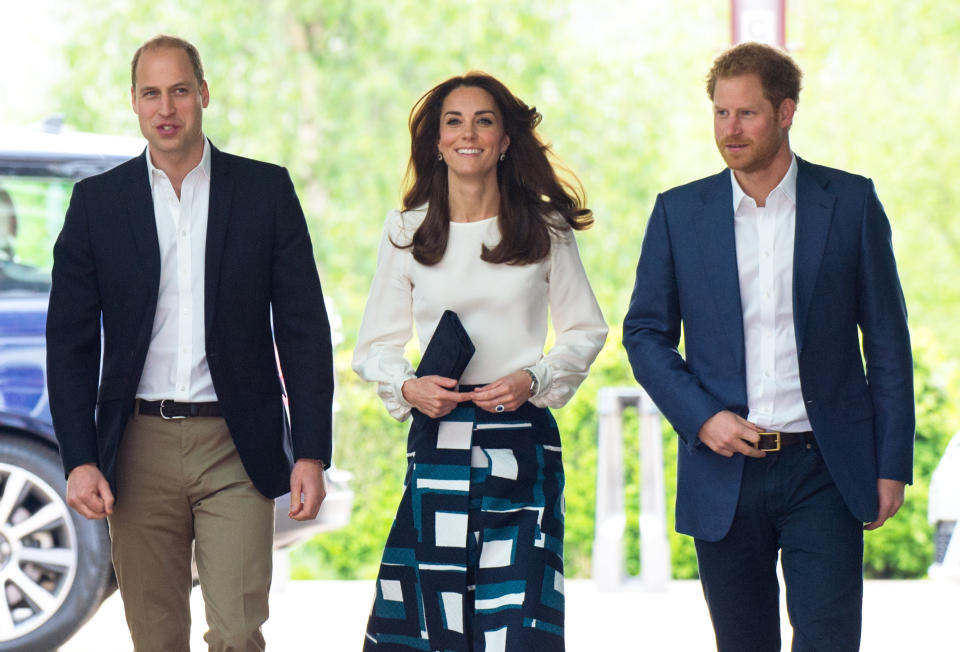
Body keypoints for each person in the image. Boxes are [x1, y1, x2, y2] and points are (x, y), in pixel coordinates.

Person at [623, 42, 915, 651]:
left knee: (830, 641)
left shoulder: (851, 202)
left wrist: (891, 464)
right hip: (724, 469)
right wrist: (703, 418)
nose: (730, 129)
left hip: (825, 469)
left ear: (785, 113)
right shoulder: (679, 213)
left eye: (747, 114)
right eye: (720, 113)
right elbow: (645, 334)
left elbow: (887, 343)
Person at [46, 35, 334, 651]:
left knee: (236, 634)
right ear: (133, 102)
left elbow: (303, 327)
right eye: (151, 93)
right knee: (156, 639)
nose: (166, 107)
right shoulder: (97, 204)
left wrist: (310, 450)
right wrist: (79, 458)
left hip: (237, 444)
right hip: (137, 446)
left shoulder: (265, 193)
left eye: (179, 89)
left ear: (203, 94)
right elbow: (69, 342)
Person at [352, 72, 607, 651]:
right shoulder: (406, 232)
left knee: (517, 624)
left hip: (522, 444)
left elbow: (585, 330)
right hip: (438, 444)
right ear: (437, 141)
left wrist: (533, 378)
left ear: (504, 140)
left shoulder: (545, 228)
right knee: (432, 621)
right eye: (454, 121)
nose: (468, 133)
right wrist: (410, 387)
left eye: (484, 120)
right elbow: (374, 347)